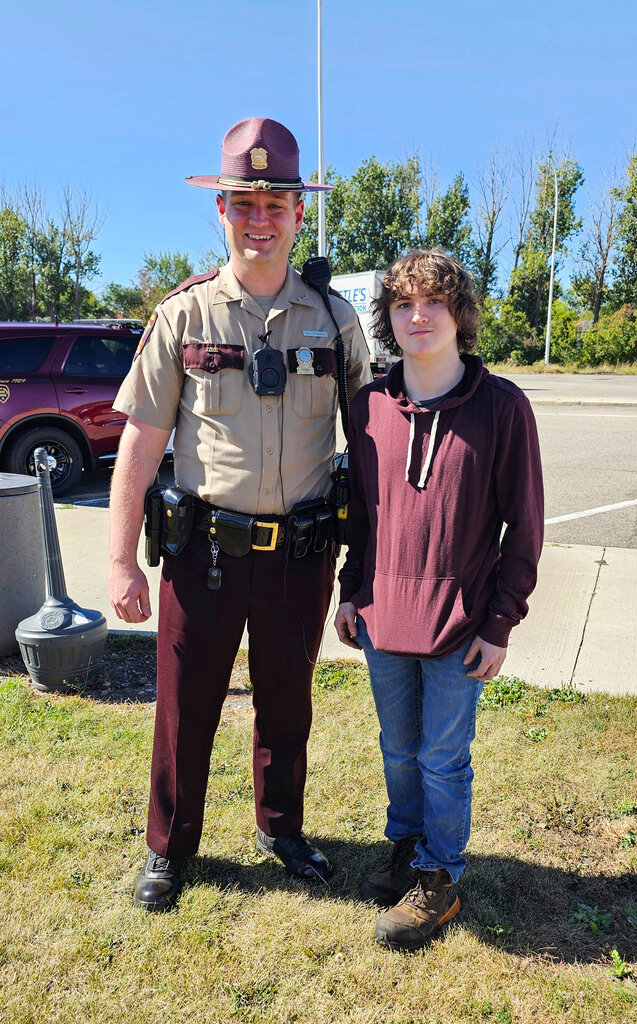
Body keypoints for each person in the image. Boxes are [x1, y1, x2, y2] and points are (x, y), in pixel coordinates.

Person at [108, 117, 372, 911]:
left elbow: (370, 453)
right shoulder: (182, 317)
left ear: (299, 214)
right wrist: (122, 561)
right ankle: (170, 846)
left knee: (287, 702)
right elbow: (139, 446)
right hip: (205, 553)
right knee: (186, 710)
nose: (260, 219)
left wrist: (365, 570)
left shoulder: (336, 321)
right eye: (244, 202)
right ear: (219, 211)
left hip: (300, 554)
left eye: (276, 203)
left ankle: (281, 828)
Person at [334, 250, 543, 951]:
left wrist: (500, 622)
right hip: (383, 617)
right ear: (388, 317)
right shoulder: (368, 407)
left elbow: (525, 524)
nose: (417, 315)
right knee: (399, 750)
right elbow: (360, 516)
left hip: (460, 626)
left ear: (458, 315)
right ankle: (408, 847)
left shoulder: (502, 407)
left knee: (442, 757)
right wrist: (348, 593)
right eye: (402, 303)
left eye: (433, 302)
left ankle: (439, 876)